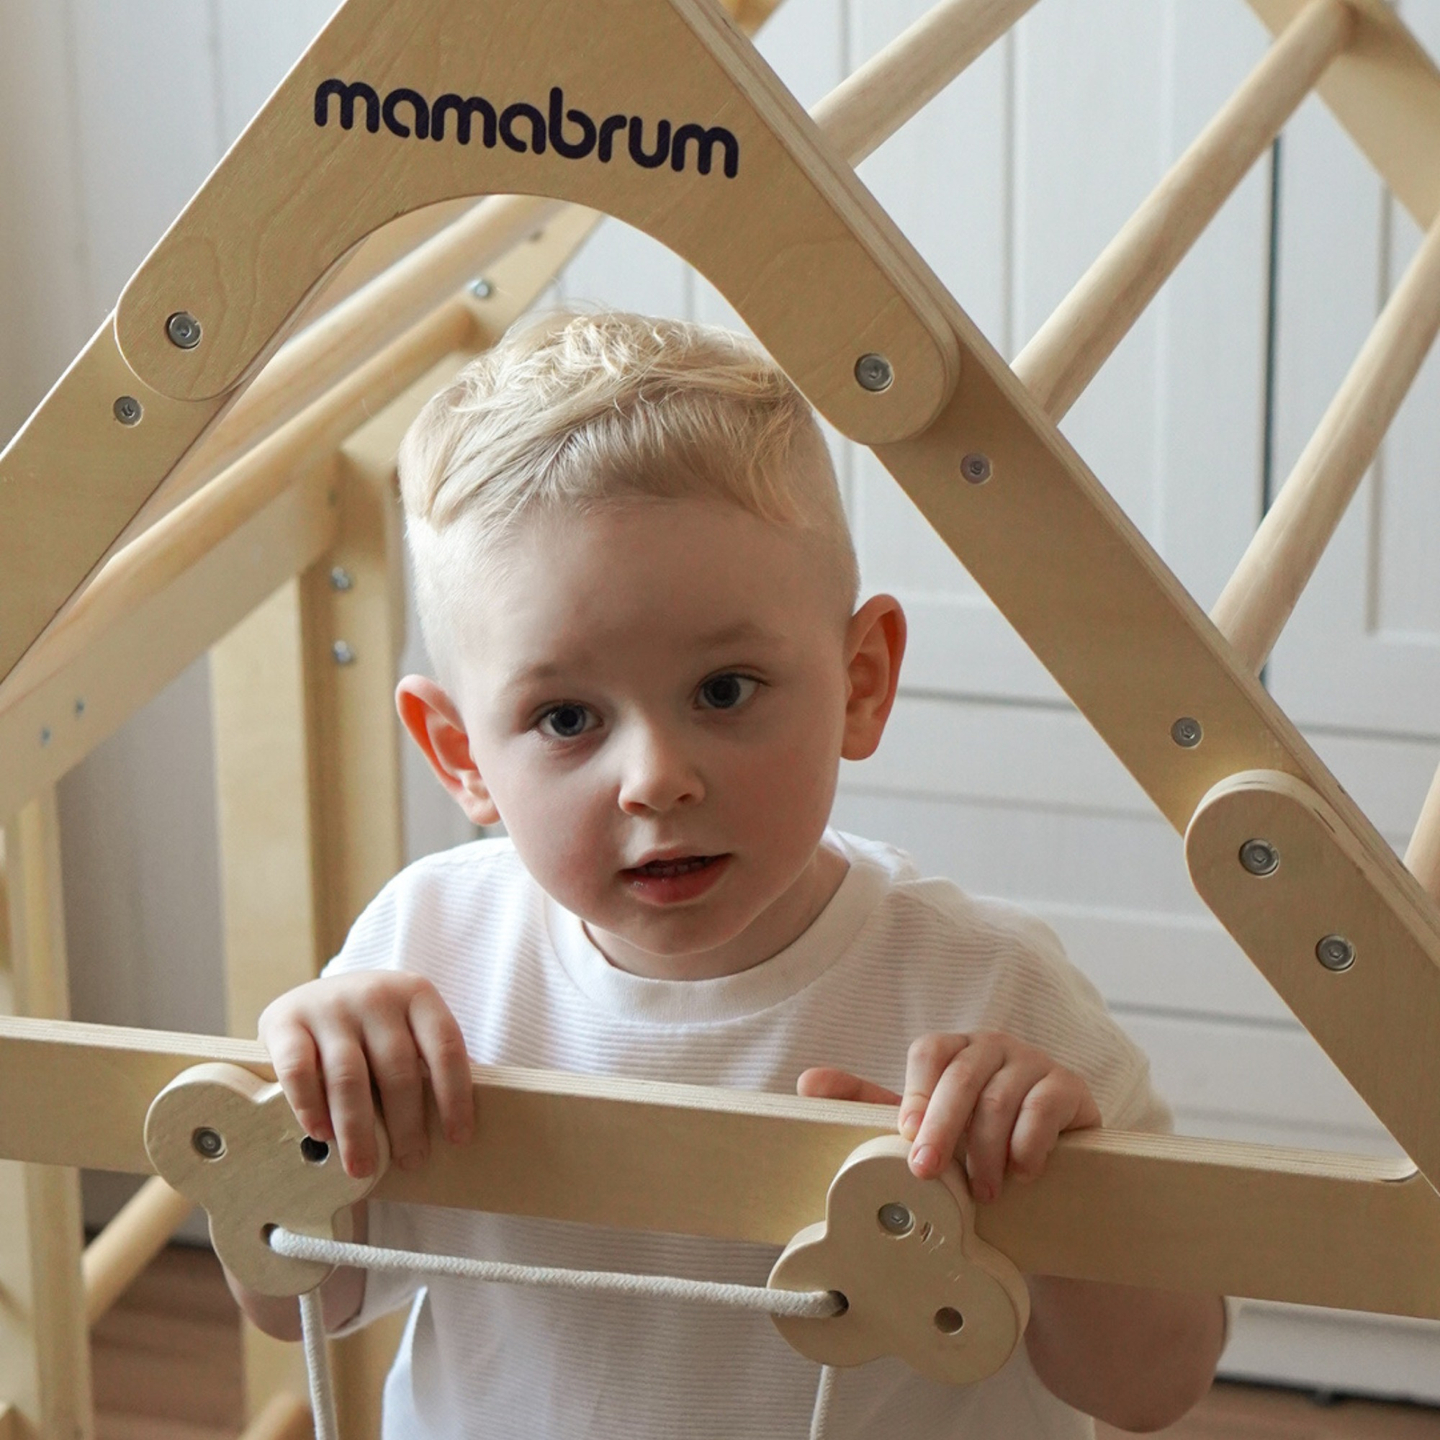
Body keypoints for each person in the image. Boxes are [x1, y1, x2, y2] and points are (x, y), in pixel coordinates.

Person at [229, 311, 1225, 1437]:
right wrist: (299, 1127)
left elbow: (1158, 1384)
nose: (656, 780)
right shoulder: (428, 953)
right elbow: (300, 1299)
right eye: (566, 718)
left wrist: (1048, 1200)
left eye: (724, 690)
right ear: (461, 755)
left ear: (859, 683)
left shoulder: (992, 997)